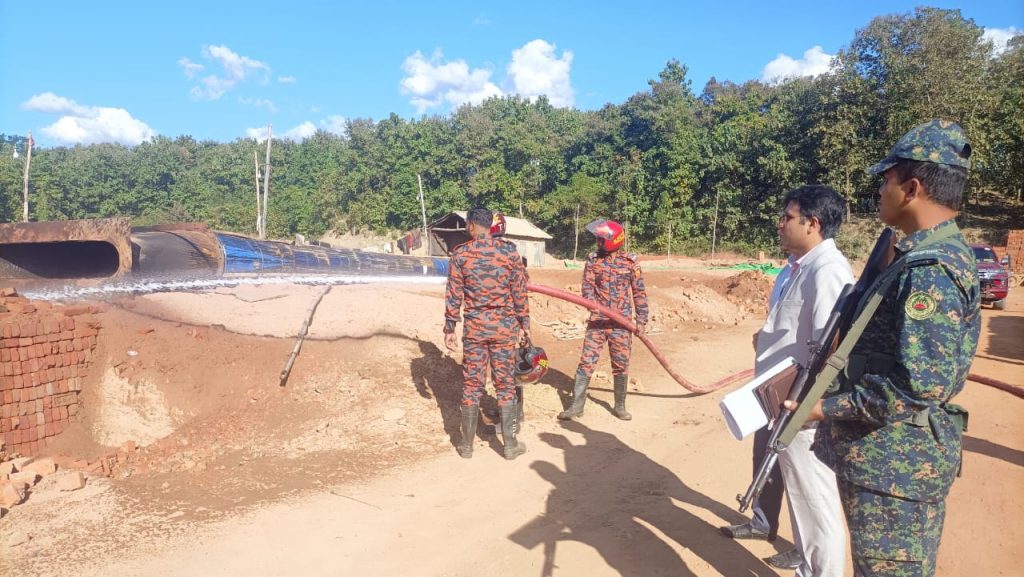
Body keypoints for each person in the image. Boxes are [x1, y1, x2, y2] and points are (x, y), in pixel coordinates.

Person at [789, 119, 980, 577]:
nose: (880, 191)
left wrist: (824, 408)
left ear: (912, 187)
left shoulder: (929, 270)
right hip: (890, 465)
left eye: (886, 180)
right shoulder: (916, 256)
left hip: (898, 469)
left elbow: (918, 388)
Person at [719, 185, 852, 576]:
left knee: (815, 505)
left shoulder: (828, 270)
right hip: (778, 399)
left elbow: (834, 346)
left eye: (788, 217)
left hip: (801, 405)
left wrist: (811, 407)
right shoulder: (794, 267)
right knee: (799, 495)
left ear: (812, 223)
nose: (781, 224)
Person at [444, 207, 532, 460]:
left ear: (471, 225)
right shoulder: (509, 252)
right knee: (505, 386)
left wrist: (450, 327)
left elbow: (453, 295)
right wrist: (525, 324)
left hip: (475, 330)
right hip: (505, 329)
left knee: (472, 386)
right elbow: (520, 293)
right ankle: (510, 445)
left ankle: (467, 446)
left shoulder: (460, 255)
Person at [558, 218, 648, 421]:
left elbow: (639, 293)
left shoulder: (630, 263)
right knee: (586, 363)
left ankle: (620, 406)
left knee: (621, 364)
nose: (597, 242)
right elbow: (587, 289)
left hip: (621, 325)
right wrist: (593, 306)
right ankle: (576, 406)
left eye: (600, 239)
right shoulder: (593, 260)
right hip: (597, 323)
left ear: (613, 240)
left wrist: (641, 320)